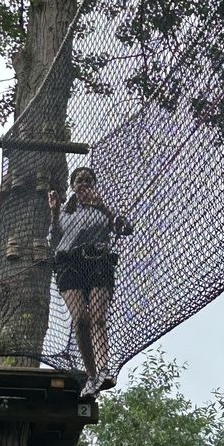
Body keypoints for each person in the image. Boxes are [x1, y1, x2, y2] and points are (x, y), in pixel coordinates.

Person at [48, 166, 130, 398]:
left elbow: (125, 229)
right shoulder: (65, 212)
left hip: (97, 262)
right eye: (79, 181)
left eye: (88, 180)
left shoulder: (103, 209)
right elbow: (53, 242)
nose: (83, 184)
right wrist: (54, 213)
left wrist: (102, 206)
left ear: (93, 185)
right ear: (73, 187)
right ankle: (91, 375)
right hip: (69, 266)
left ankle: (103, 369)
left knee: (97, 317)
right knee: (80, 319)